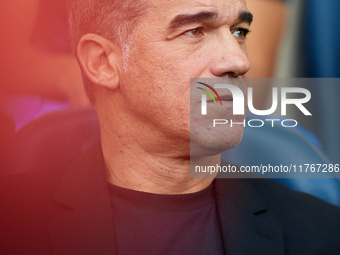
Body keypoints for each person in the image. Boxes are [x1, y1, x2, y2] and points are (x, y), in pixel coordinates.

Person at [1, 0, 340, 254]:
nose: (239, 61)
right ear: (103, 62)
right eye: (194, 31)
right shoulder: (13, 226)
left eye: (239, 32)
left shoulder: (323, 233)